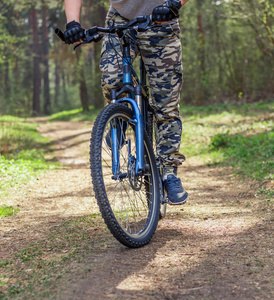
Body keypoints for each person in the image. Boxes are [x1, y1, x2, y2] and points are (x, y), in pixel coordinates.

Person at [63, 0, 189, 205]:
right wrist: (72, 24)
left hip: (162, 19)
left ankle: (168, 172)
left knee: (165, 105)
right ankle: (121, 116)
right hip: (120, 18)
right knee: (112, 80)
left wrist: (174, 4)